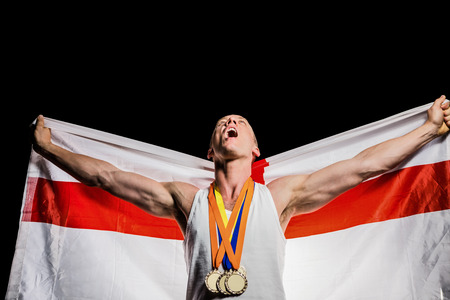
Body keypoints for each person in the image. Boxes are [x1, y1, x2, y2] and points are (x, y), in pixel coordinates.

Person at [31, 96, 450, 299]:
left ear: (255, 148)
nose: (230, 120)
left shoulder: (281, 196)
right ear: (210, 151)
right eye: (222, 122)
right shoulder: (187, 199)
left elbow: (363, 166)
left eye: (240, 120)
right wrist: (50, 150)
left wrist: (428, 130)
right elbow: (107, 177)